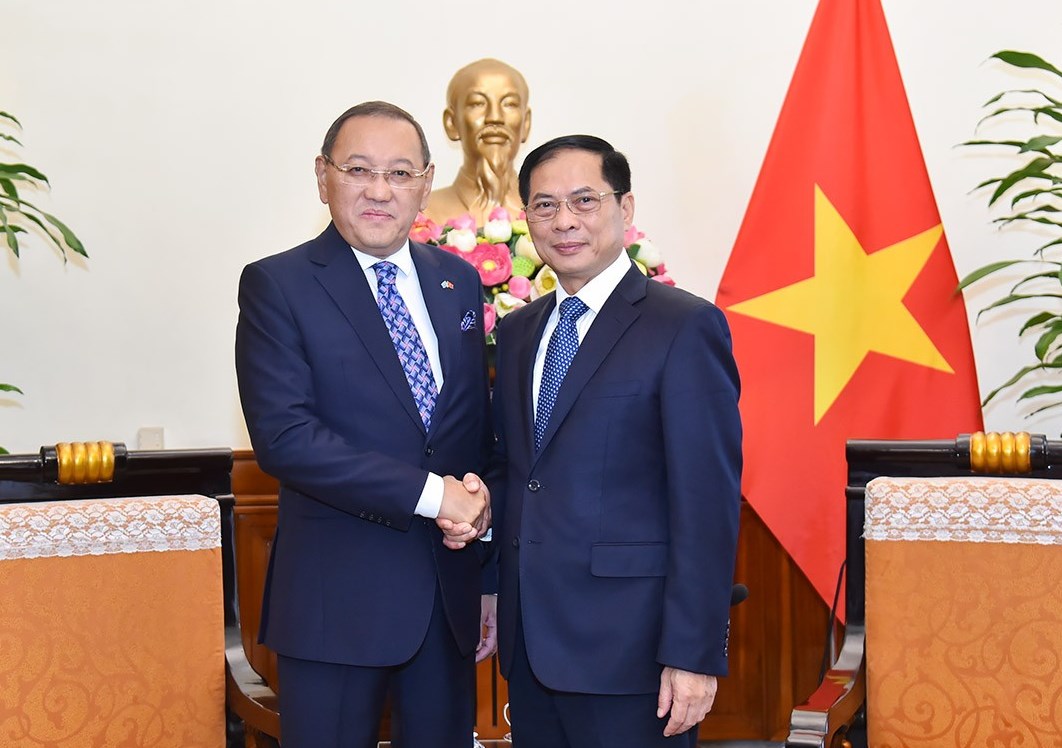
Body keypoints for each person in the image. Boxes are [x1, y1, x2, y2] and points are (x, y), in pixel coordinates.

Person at [234, 100, 496, 748]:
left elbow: (472, 431)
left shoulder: (459, 282)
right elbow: (286, 439)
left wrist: (487, 566)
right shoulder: (278, 285)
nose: (380, 190)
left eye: (400, 173)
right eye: (358, 170)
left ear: (425, 184)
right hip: (336, 605)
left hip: (446, 602)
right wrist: (435, 496)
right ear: (323, 176)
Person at [487, 135, 742, 747]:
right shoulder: (518, 332)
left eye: (584, 200)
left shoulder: (684, 326)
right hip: (530, 646)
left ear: (625, 209)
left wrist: (693, 653)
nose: (564, 221)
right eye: (544, 205)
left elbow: (706, 503)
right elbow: (513, 472)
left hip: (636, 654)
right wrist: (491, 586)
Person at [424, 58, 532, 226]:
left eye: (509, 104)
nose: (495, 117)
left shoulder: (545, 214)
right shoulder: (423, 215)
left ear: (526, 123)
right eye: (477, 104)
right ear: (451, 123)